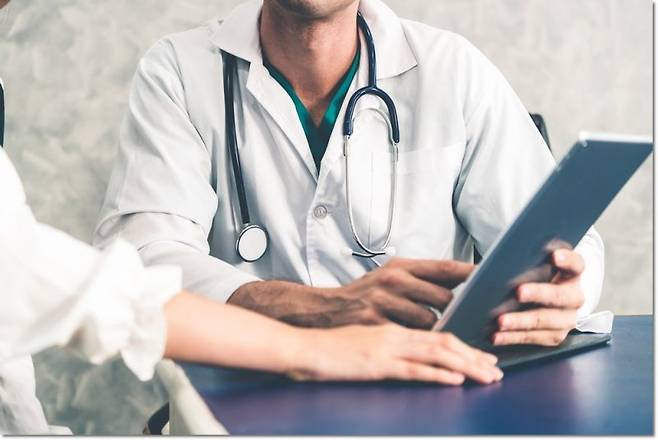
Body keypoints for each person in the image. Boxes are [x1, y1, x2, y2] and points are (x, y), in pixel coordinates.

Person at [0, 20, 500, 435]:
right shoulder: (180, 68)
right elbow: (116, 272)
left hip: (428, 407)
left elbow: (551, 250)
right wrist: (318, 327)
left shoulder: (453, 68)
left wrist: (549, 291)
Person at [96, 0, 604, 346]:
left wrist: (561, 291)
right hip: (245, 389)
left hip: (424, 395)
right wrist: (320, 308)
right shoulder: (179, 71)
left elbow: (567, 244)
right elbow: (138, 259)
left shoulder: (452, 70)